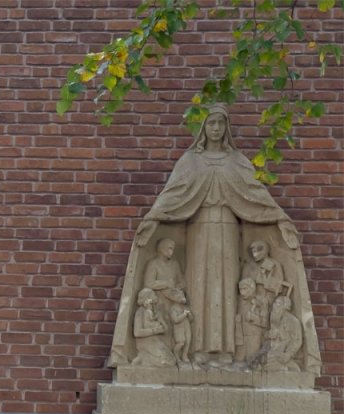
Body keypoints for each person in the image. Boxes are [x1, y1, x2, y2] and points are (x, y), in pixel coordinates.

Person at [115, 104, 300, 368]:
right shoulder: (191, 161)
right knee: (199, 288)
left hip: (227, 229)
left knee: (225, 290)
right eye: (211, 123)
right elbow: (172, 194)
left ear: (226, 128)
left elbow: (255, 194)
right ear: (203, 128)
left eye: (220, 124)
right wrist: (153, 216)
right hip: (198, 230)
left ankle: (225, 351)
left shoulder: (237, 162)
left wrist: (280, 217)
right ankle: (199, 349)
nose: (215, 128)